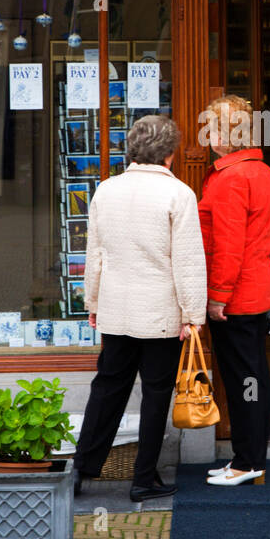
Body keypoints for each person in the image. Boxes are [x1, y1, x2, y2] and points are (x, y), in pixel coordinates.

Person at [75, 115, 207, 502]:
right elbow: (187, 261)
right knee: (155, 393)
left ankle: (83, 468)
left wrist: (93, 301)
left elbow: (94, 254)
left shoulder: (105, 191)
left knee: (107, 388)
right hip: (161, 312)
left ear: (131, 149)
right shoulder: (179, 194)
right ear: (170, 154)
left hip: (116, 307)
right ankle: (143, 478)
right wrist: (192, 315)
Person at [198, 94, 270, 487]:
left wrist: (218, 296)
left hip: (238, 296)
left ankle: (248, 464)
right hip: (256, 288)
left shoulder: (231, 178)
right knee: (253, 376)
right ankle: (248, 459)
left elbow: (228, 245)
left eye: (212, 127)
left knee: (243, 379)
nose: (207, 134)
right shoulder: (259, 171)